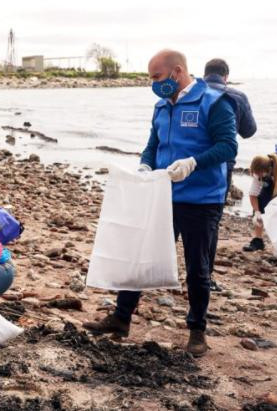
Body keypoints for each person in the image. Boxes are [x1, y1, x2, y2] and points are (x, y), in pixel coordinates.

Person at [82, 50, 237, 357]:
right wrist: (144, 166)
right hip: (162, 193)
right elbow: (153, 145)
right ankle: (121, 318)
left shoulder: (214, 102)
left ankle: (197, 331)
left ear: (177, 72)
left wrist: (194, 162)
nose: (153, 83)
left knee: (198, 267)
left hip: (201, 199)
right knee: (141, 253)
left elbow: (228, 146)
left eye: (157, 77)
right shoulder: (161, 106)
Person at [203, 58, 257, 290]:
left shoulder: (192, 92)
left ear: (205, 74)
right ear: (226, 75)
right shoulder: (235, 96)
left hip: (185, 162)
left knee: (176, 216)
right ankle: (206, 276)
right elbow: (249, 131)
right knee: (211, 221)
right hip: (220, 165)